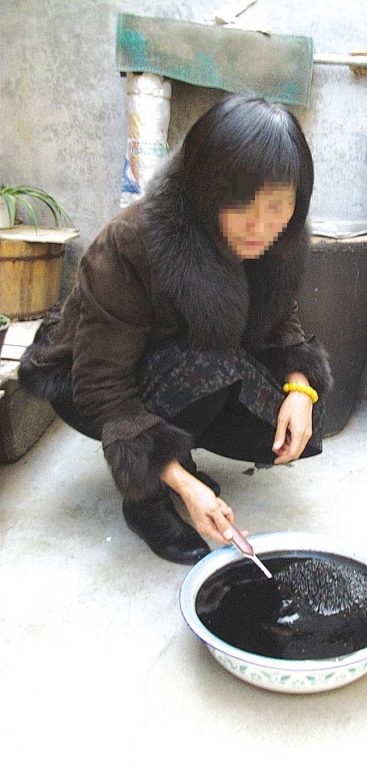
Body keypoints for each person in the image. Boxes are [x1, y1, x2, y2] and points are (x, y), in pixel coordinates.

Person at [20, 94, 332, 566]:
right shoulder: (133, 243)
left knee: (291, 409)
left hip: (173, 362)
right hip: (87, 380)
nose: (260, 225)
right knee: (211, 365)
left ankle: (173, 455)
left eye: (277, 207)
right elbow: (101, 386)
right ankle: (145, 503)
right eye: (242, 202)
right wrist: (185, 486)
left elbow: (277, 314)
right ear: (206, 187)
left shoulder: (276, 237)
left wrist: (300, 386)